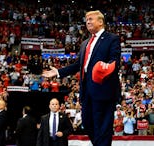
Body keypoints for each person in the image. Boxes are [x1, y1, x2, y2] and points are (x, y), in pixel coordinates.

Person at [42, 10, 121, 146]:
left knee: (102, 128)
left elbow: (114, 62)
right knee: (87, 123)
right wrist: (59, 72)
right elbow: (78, 64)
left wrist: (102, 69)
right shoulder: (85, 43)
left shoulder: (111, 39)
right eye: (86, 20)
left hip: (104, 91)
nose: (88, 22)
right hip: (87, 92)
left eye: (91, 19)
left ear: (101, 22)